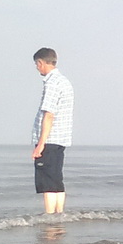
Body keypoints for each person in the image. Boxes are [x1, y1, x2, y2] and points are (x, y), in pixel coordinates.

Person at [31, 48, 75, 214]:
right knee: (56, 180)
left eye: (37, 64)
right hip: (61, 139)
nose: (37, 68)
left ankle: (50, 217)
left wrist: (40, 144)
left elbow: (49, 114)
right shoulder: (64, 81)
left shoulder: (52, 83)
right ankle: (59, 215)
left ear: (41, 62)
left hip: (50, 139)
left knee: (47, 182)